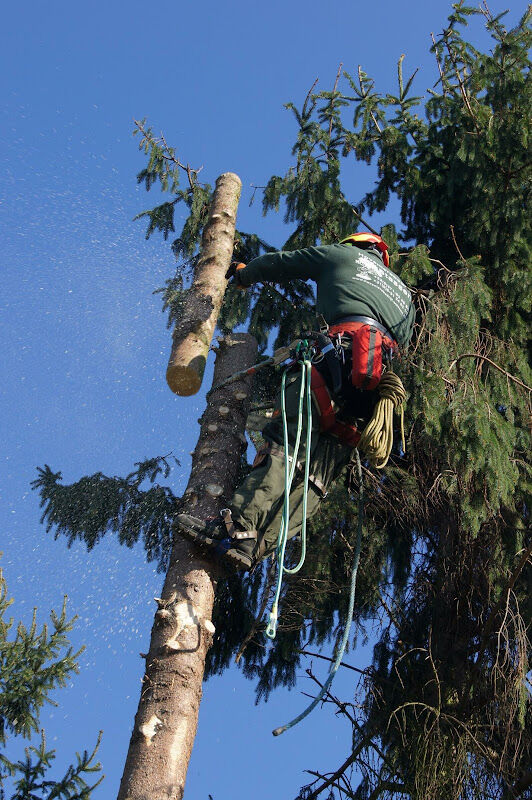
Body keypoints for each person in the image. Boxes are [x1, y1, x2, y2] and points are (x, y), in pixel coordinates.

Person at [176, 233, 415, 571]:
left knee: (286, 446)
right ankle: (255, 546)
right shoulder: (405, 298)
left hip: (331, 366)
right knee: (315, 478)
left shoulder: (343, 256)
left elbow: (285, 263)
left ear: (355, 244)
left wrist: (244, 273)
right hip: (370, 399)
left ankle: (237, 528)